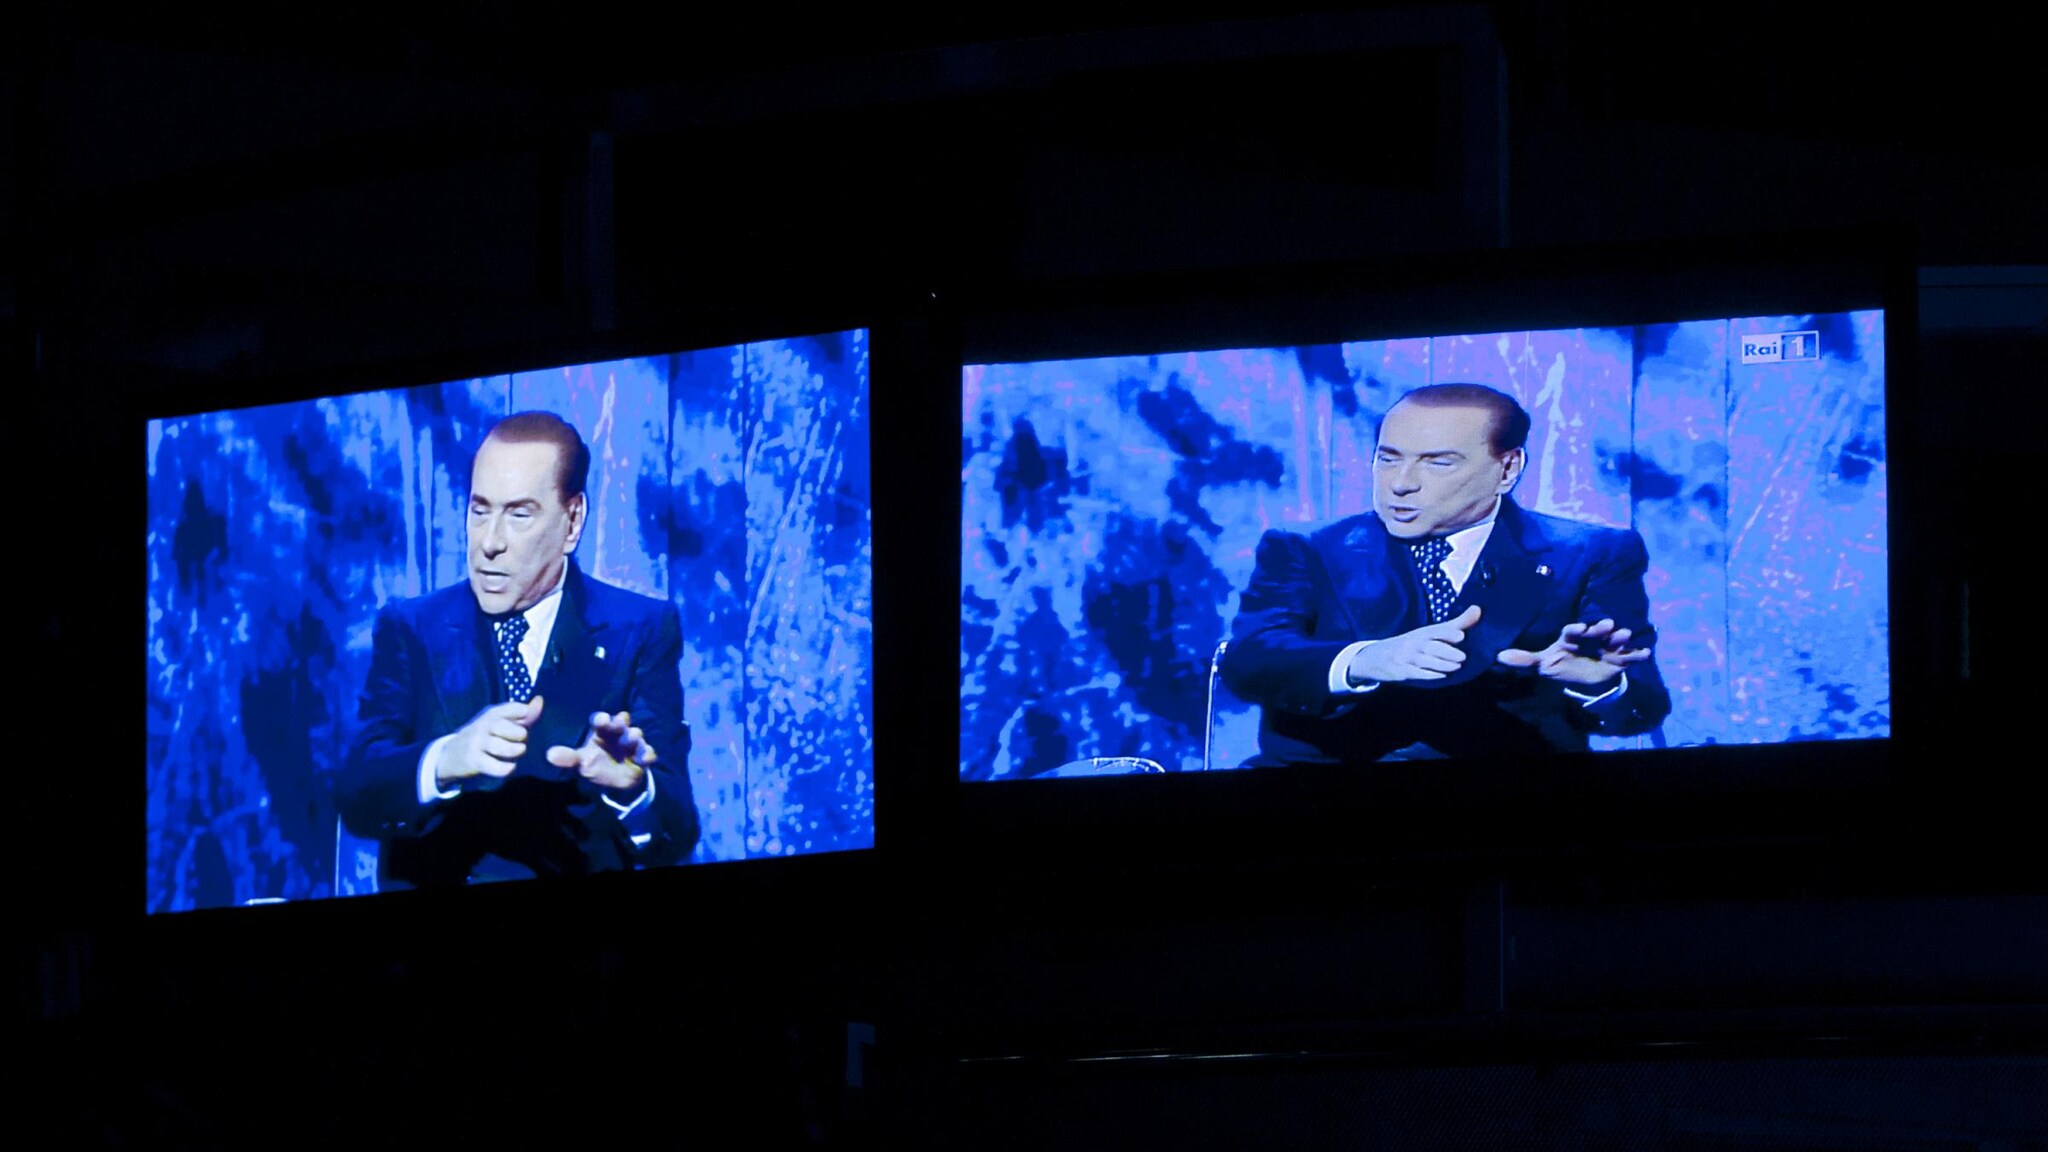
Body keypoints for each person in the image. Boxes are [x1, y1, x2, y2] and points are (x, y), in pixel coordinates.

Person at [1219, 383, 1671, 764]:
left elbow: (1643, 708)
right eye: (1388, 458)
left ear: (1507, 468)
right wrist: (1364, 660)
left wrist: (1600, 685)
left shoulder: (1591, 553)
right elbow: (1249, 662)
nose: (1401, 483)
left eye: (1438, 462)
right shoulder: (1307, 548)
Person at [339, 412, 700, 887]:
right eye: (480, 510)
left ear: (572, 521)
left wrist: (632, 790)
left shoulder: (640, 630)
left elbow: (677, 833)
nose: (489, 543)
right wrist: (444, 760)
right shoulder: (411, 628)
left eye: (519, 515)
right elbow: (357, 796)